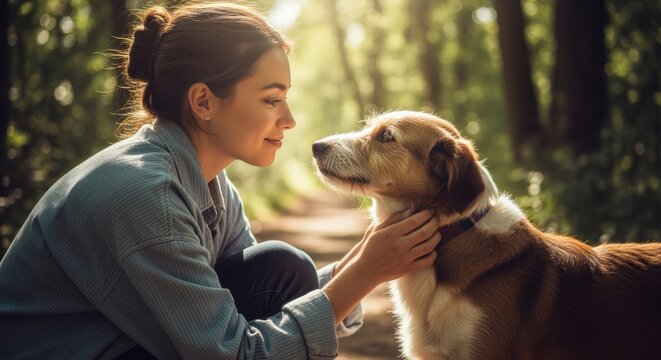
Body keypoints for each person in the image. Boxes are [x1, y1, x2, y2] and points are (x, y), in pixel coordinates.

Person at [0, 3, 441, 359]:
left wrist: (362, 259)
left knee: (284, 271)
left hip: (120, 341)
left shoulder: (207, 182)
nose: (288, 120)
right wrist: (365, 274)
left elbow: (257, 300)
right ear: (204, 101)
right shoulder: (145, 195)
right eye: (272, 100)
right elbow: (234, 352)